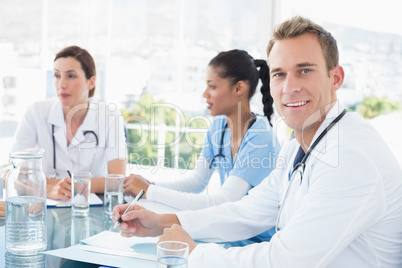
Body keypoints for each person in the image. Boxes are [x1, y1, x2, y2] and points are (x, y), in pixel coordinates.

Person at [113, 16, 402, 267]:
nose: (289, 87)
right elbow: (247, 210)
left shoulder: (349, 156)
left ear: (335, 78)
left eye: (305, 70)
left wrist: (194, 254)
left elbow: (285, 261)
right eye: (279, 74)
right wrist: (161, 222)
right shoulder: (297, 148)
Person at [124, 49, 280, 246]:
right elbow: (196, 183)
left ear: (239, 88)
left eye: (212, 86)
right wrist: (149, 186)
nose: (205, 94)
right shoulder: (218, 127)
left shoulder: (261, 137)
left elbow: (224, 201)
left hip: (256, 242)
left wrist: (150, 191)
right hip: (228, 233)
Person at [11, 46, 127, 200]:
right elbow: (12, 174)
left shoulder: (109, 116)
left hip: (92, 207)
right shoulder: (36, 112)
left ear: (91, 82)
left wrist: (71, 185)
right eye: (57, 75)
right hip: (46, 205)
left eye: (71, 76)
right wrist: (47, 190)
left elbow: (117, 180)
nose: (61, 84)